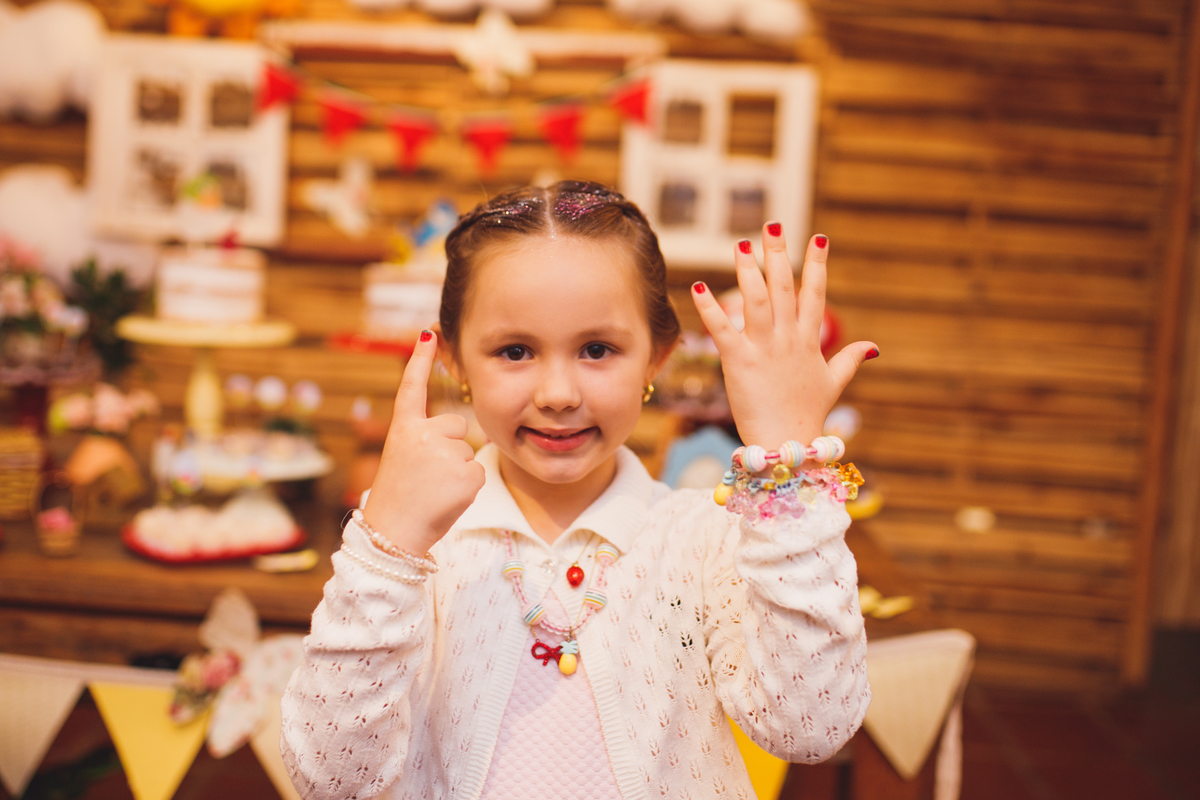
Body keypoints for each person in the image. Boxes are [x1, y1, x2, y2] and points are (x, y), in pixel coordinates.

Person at [281, 181, 879, 800]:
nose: (558, 393)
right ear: (454, 361)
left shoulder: (711, 539)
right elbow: (332, 781)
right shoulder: (415, 555)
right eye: (515, 351)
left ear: (656, 358)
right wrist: (386, 553)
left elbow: (813, 726)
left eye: (597, 349)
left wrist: (789, 471)